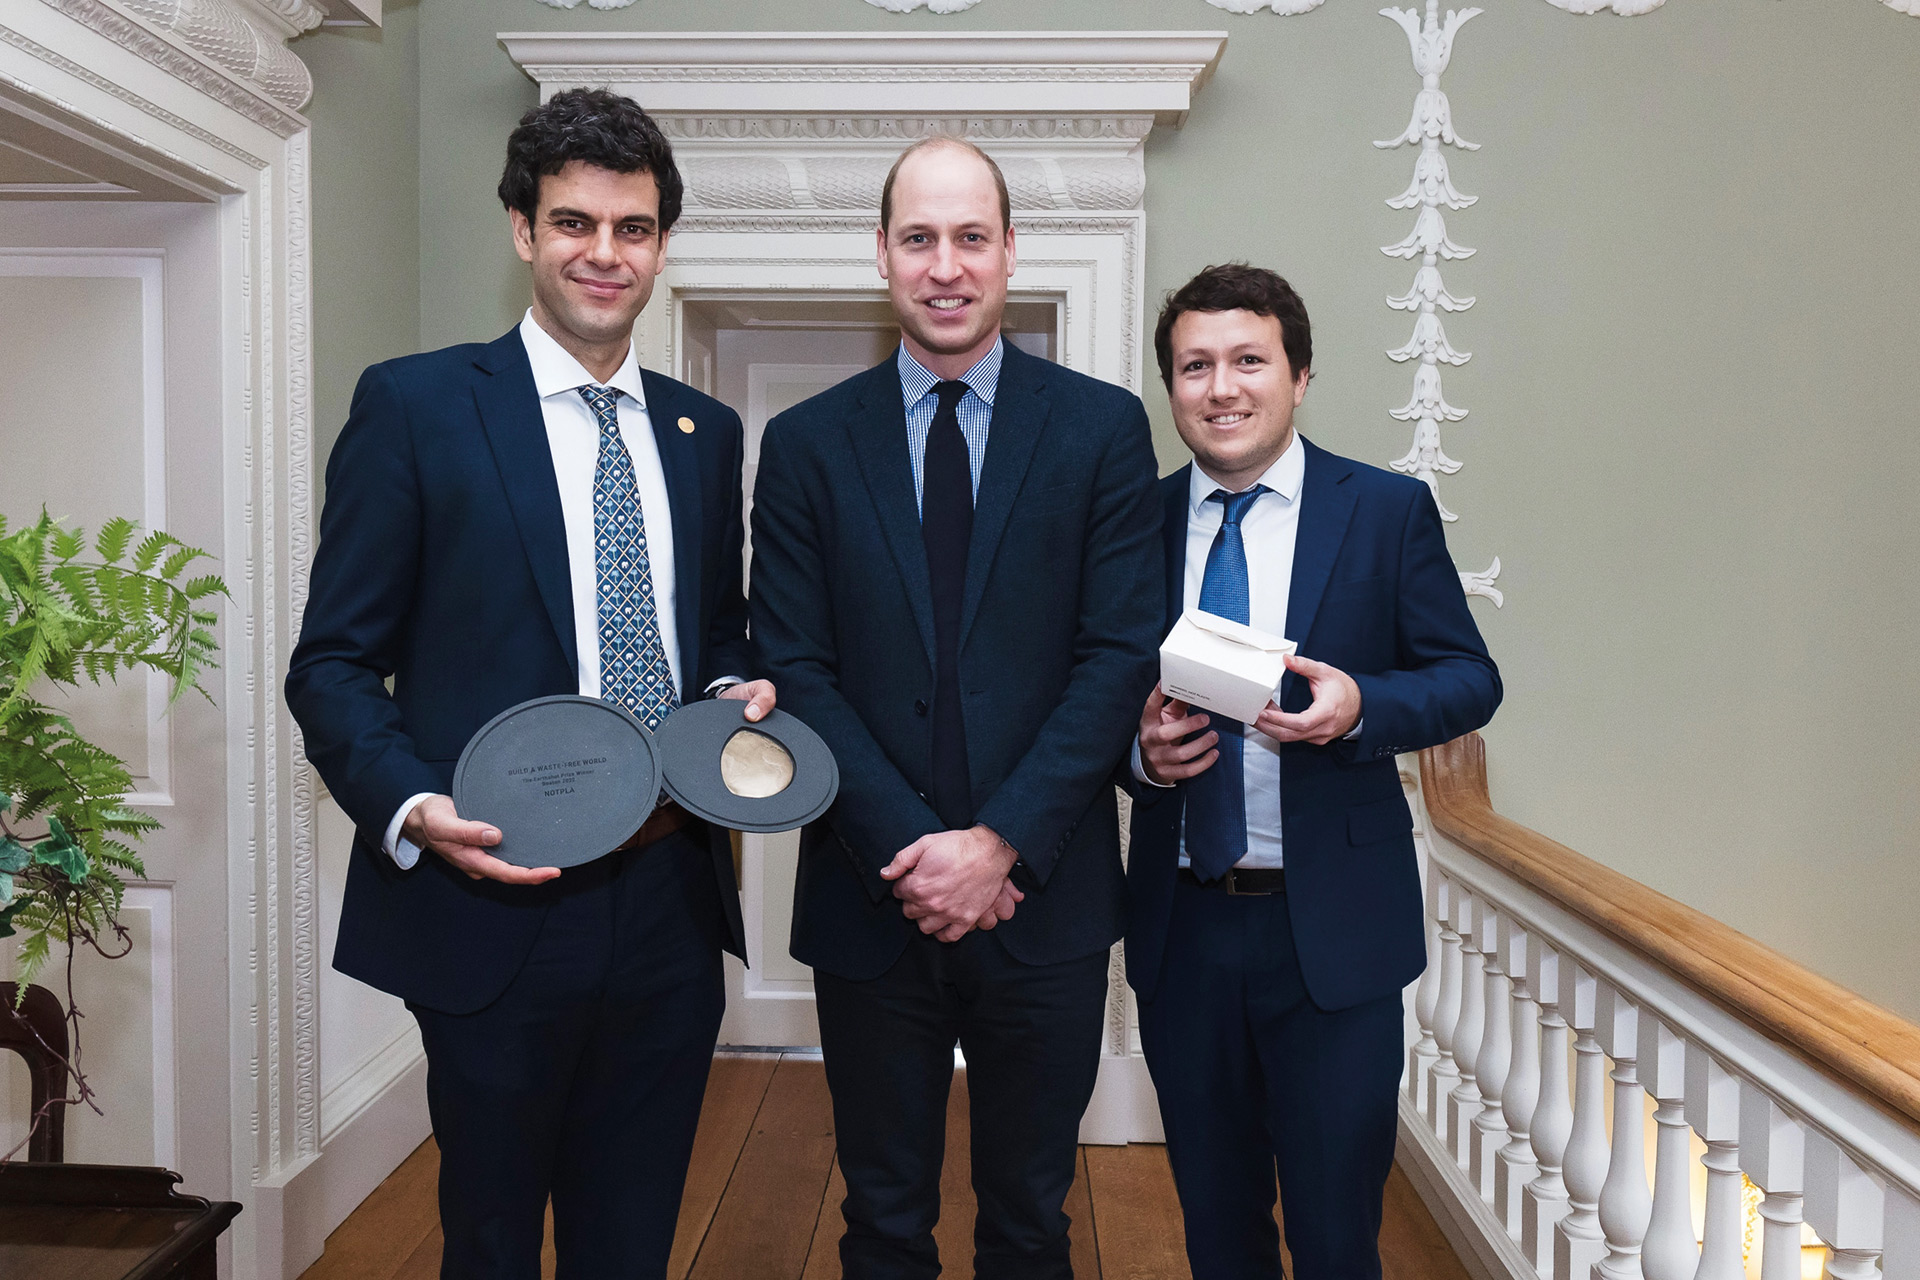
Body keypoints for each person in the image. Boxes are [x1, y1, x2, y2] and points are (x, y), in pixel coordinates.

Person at [285, 89, 773, 1280]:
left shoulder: (705, 432)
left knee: (634, 1236)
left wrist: (735, 682)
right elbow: (333, 663)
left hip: (670, 891)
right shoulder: (415, 407)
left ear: (661, 242)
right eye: (575, 222)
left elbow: (717, 626)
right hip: (492, 895)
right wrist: (413, 807)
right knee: (491, 1238)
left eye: (635, 227)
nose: (605, 254)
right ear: (522, 229)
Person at [748, 136, 1163, 1279]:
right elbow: (796, 663)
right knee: (881, 1216)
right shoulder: (804, 445)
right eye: (920, 238)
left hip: (1049, 897)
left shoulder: (1101, 429)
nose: (946, 265)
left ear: (1010, 252)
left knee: (1031, 1215)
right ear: (881, 254)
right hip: (869, 900)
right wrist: (921, 851)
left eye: (970, 237)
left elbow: (1116, 653)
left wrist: (998, 844)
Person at [1126, 264, 1501, 1280]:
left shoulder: (1383, 510)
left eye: (1250, 359)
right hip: (1184, 929)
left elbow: (1470, 678)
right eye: (1195, 365)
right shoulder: (1135, 524)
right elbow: (1099, 692)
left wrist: (1363, 707)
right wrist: (1142, 755)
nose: (1222, 386)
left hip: (1334, 938)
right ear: (1172, 387)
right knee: (1218, 1224)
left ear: (1299, 376)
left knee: (1338, 1237)